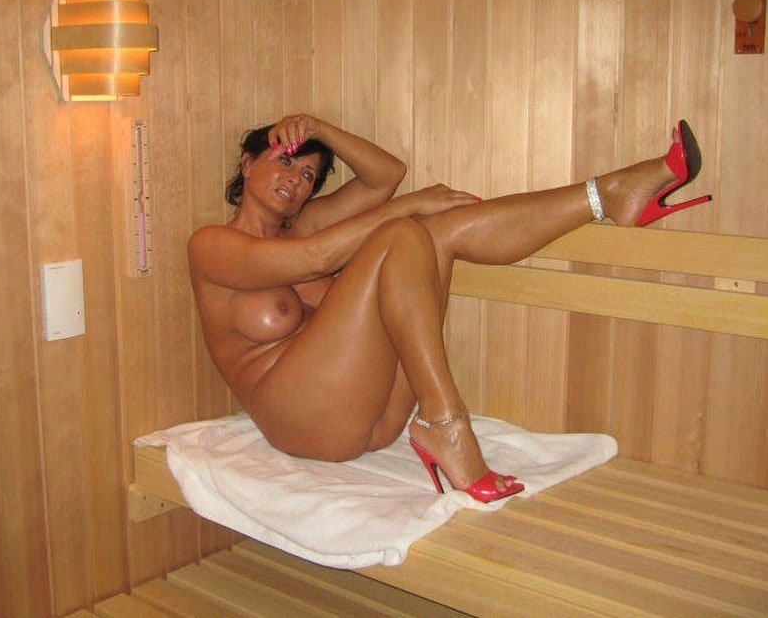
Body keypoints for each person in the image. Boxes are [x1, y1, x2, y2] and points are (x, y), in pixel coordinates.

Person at [188, 114, 711, 503]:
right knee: (402, 232)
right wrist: (409, 206)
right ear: (247, 164)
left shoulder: (305, 225)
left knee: (432, 234)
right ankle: (446, 421)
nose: (296, 180)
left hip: (370, 416)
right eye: (285, 162)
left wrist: (318, 127)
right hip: (299, 420)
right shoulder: (212, 245)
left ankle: (607, 195)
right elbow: (316, 258)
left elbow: (385, 174)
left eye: (308, 175)